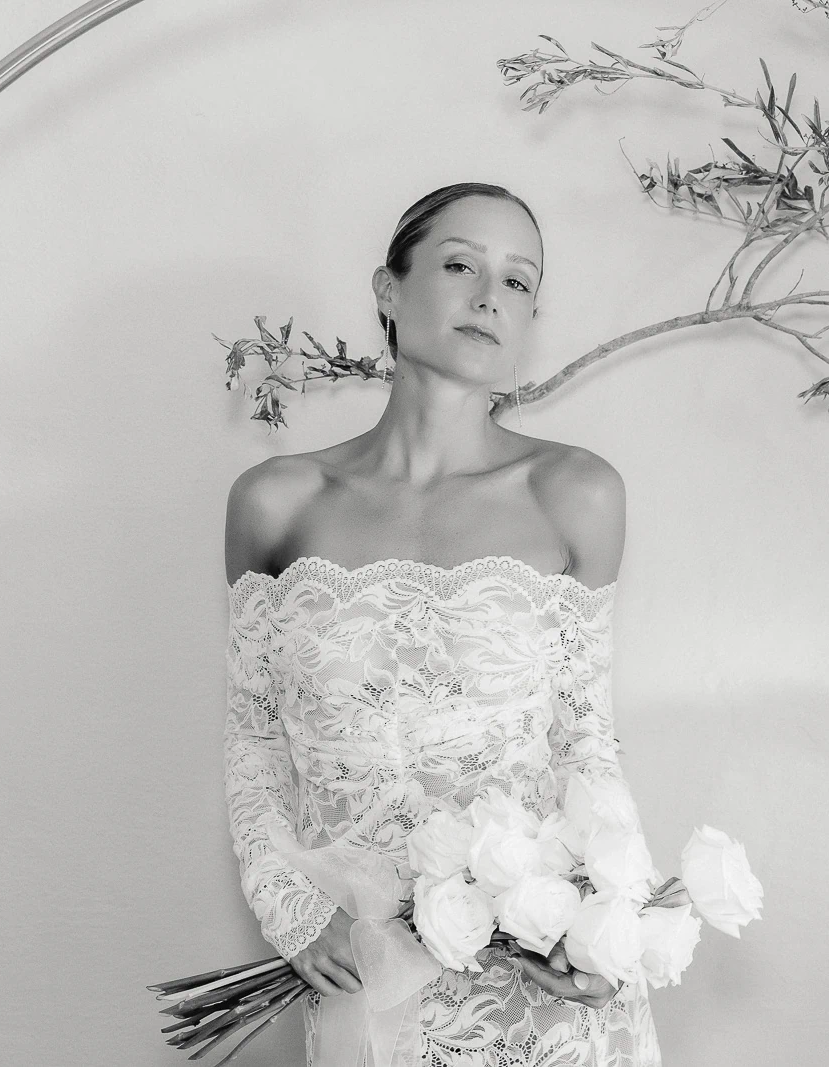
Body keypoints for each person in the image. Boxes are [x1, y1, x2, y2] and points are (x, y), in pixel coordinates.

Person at [222, 182, 661, 1065]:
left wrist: (619, 926)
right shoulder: (276, 502)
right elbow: (256, 736)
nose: (489, 295)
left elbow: (586, 741)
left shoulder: (574, 493)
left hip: (541, 975)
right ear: (388, 290)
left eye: (518, 280)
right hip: (364, 974)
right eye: (460, 263)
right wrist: (296, 912)